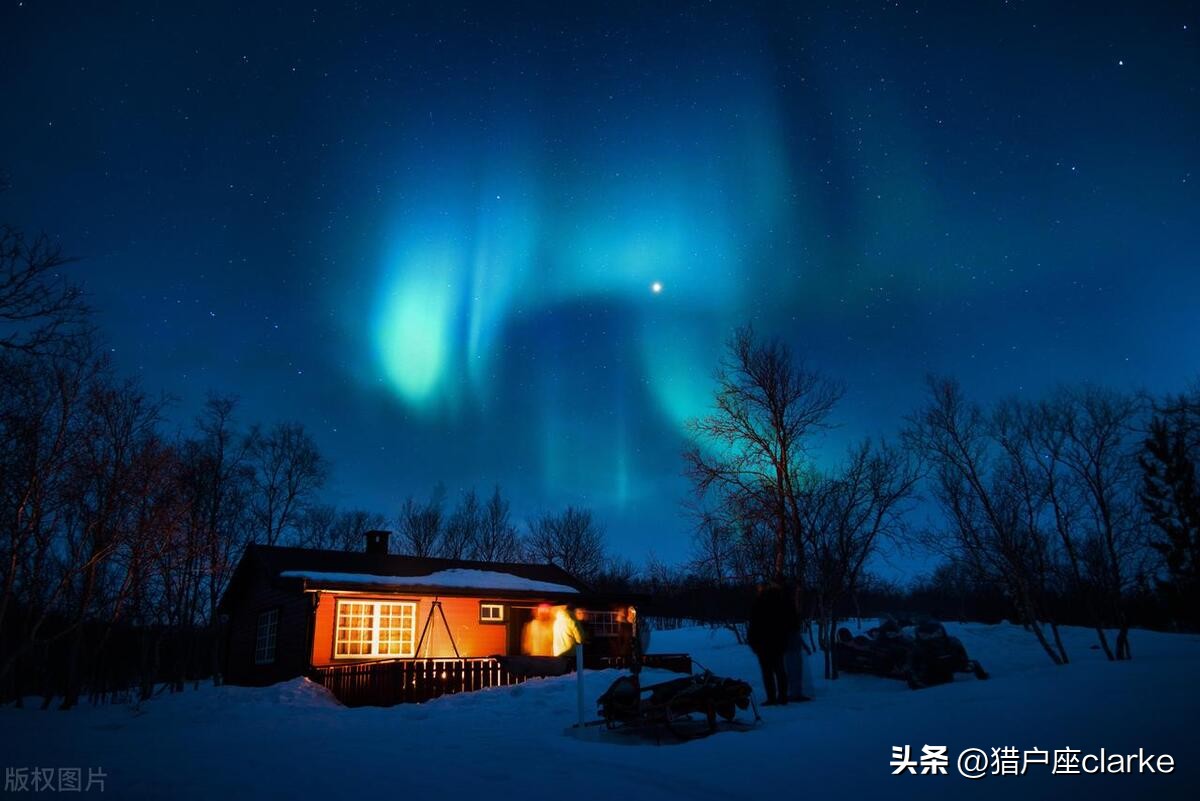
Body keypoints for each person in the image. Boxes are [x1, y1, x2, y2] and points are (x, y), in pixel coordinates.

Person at [747, 581, 797, 706]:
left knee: (768, 672)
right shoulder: (780, 603)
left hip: (765, 643)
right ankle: (782, 697)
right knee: (778, 670)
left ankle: (773, 697)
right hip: (776, 643)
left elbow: (754, 625)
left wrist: (753, 642)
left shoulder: (760, 604)